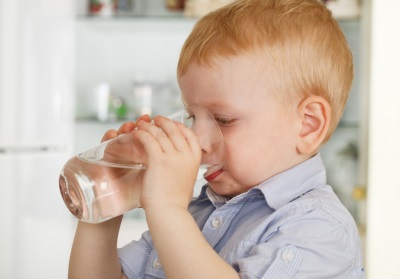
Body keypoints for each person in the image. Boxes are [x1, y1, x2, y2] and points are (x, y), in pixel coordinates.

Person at [68, 0, 365, 278]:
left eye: (223, 120)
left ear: (308, 126)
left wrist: (168, 209)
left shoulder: (320, 228)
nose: (197, 139)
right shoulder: (201, 212)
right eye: (192, 116)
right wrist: (105, 204)